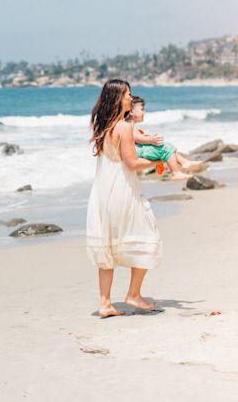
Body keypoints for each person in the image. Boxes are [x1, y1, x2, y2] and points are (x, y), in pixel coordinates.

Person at [86, 79, 162, 318]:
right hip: (123, 191)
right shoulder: (124, 127)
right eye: (127, 94)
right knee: (147, 236)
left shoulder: (103, 126)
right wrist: (158, 162)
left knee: (107, 246)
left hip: (102, 193)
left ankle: (105, 303)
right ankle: (133, 294)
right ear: (118, 98)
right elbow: (131, 162)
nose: (131, 98)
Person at [128, 96, 202, 181]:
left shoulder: (132, 125)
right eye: (142, 109)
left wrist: (148, 137)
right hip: (138, 151)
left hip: (139, 149)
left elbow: (136, 138)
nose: (144, 112)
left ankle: (184, 162)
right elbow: (136, 138)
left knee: (166, 147)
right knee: (166, 147)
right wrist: (150, 140)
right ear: (131, 111)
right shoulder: (129, 124)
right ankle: (176, 173)